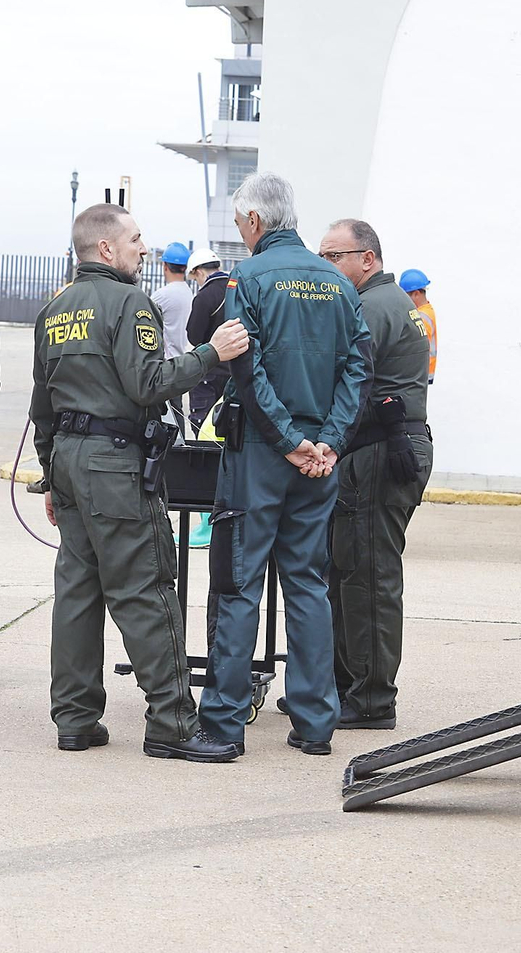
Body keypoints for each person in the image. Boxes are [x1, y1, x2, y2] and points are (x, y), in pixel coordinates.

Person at [31, 203, 249, 762]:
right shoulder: (130, 303)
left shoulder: (55, 309)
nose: (144, 249)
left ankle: (75, 719)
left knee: (77, 591)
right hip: (114, 464)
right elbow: (149, 382)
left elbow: (43, 405)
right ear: (106, 248)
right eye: (135, 239)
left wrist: (52, 474)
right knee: (145, 587)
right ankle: (173, 722)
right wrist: (211, 354)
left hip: (70, 461)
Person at [197, 172, 370, 757]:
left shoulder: (248, 277)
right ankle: (315, 724)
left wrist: (288, 440)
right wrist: (329, 442)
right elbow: (359, 369)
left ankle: (223, 724)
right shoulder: (338, 282)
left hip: (261, 455)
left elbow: (245, 369)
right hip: (319, 459)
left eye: (239, 223)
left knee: (240, 582)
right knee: (307, 584)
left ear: (253, 220)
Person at [316, 220, 432, 729]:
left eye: (334, 256)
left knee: (367, 578)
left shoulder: (371, 307)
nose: (326, 266)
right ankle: (348, 688)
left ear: (367, 258)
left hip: (380, 453)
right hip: (384, 448)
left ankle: (370, 700)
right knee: (351, 572)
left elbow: (343, 383)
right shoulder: (388, 302)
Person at [184, 247, 230, 548]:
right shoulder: (238, 288)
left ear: (199, 272)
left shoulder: (205, 296)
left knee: (204, 442)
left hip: (208, 374)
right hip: (234, 375)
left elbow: (193, 335)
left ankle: (205, 522)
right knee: (228, 441)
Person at [150, 242, 193, 361]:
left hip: (169, 360)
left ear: (165, 266)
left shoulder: (162, 295)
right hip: (186, 358)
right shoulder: (188, 292)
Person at [400, 269, 437, 384]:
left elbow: (415, 347)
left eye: (405, 296)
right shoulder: (425, 311)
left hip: (420, 374)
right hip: (422, 373)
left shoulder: (421, 317)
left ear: (416, 294)